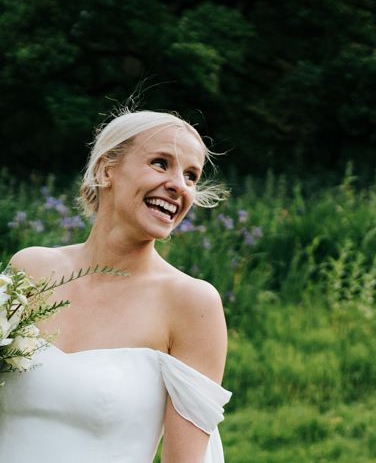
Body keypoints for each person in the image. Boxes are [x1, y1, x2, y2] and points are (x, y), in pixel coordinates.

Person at [0, 110, 232, 463]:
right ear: (106, 169)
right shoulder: (31, 268)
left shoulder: (191, 303)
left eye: (191, 176)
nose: (178, 185)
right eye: (160, 163)